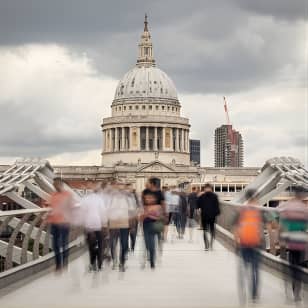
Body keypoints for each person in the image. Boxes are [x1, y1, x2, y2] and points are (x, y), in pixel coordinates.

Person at [233, 189, 264, 304]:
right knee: (255, 270)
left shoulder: (241, 210)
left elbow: (236, 228)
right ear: (255, 197)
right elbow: (272, 224)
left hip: (243, 243)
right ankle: (254, 294)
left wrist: (236, 242)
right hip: (256, 243)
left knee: (244, 269)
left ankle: (243, 291)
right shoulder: (260, 210)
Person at [278, 186, 308, 303]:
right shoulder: (304, 208)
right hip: (301, 242)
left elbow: (282, 224)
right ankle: (297, 294)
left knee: (292, 266)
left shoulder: (287, 206)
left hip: (290, 241)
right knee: (299, 267)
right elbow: (305, 226)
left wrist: (281, 239)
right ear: (301, 195)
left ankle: (293, 288)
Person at [79, 182, 108, 272]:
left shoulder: (84, 199)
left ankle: (92, 263)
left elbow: (82, 213)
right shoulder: (99, 199)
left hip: (88, 225)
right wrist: (105, 224)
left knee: (91, 246)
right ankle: (99, 264)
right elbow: (103, 212)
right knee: (100, 244)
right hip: (98, 224)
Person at [108, 182, 136, 272]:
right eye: (117, 184)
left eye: (120, 185)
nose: (119, 187)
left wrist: (132, 224)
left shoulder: (128, 198)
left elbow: (132, 211)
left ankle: (122, 262)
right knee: (113, 243)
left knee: (124, 244)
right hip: (113, 223)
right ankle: (115, 261)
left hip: (124, 223)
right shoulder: (110, 197)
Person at [47, 177, 73, 272]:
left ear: (61, 184)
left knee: (64, 244)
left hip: (64, 223)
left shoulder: (68, 195)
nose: (55, 186)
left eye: (57, 184)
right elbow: (51, 208)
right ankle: (58, 265)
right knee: (55, 245)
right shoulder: (53, 195)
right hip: (54, 223)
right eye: (54, 184)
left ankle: (65, 262)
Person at [141, 190, 164, 269]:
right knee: (147, 244)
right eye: (146, 198)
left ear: (154, 199)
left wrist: (150, 215)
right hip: (146, 226)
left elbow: (161, 217)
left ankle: (152, 262)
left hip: (154, 226)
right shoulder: (144, 207)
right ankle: (149, 256)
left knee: (152, 245)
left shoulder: (158, 207)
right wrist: (144, 215)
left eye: (150, 198)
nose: (148, 199)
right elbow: (140, 218)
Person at [197, 184, 220, 250]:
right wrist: (216, 214)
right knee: (212, 230)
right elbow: (217, 207)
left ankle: (206, 245)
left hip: (204, 216)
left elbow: (198, 206)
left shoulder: (202, 196)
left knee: (205, 231)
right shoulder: (215, 196)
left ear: (204, 189)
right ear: (211, 189)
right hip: (212, 216)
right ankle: (211, 244)